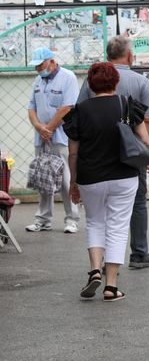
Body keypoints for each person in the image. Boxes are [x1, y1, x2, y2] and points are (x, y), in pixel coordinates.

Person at [64, 63, 149, 301]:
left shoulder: (79, 111)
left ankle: (94, 270)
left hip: (90, 177)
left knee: (94, 222)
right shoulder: (127, 104)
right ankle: (111, 286)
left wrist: (74, 182)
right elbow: (144, 138)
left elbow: (73, 153)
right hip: (124, 175)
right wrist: (148, 157)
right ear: (116, 82)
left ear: (90, 84)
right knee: (118, 226)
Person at [78, 36, 149, 269]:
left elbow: (79, 113)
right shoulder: (140, 81)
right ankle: (139, 253)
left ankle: (99, 259)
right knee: (137, 202)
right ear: (130, 56)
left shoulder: (92, 80)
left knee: (99, 212)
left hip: (96, 153)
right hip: (131, 155)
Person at [25, 47, 80, 233]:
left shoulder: (68, 77)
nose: (38, 69)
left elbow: (67, 107)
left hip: (61, 137)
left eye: (40, 65)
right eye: (36, 67)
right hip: (41, 137)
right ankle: (43, 219)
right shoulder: (37, 81)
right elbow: (31, 109)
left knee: (66, 179)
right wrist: (40, 128)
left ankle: (72, 219)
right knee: (43, 177)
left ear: (51, 61)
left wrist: (48, 128)